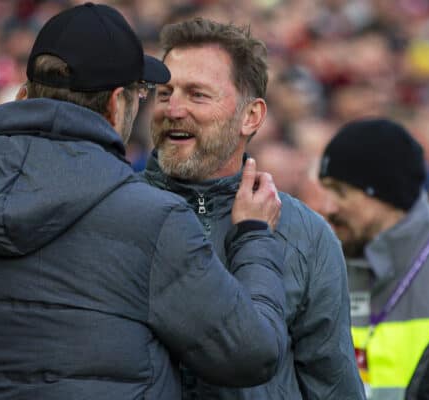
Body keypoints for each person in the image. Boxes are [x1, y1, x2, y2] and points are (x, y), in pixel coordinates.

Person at [0, 4, 288, 399]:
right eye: (140, 95)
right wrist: (253, 235)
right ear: (117, 105)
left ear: (23, 95)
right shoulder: (154, 222)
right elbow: (251, 354)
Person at [143, 18, 365, 399]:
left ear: (252, 116)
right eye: (164, 93)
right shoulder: (116, 213)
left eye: (197, 94)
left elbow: (330, 379)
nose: (173, 109)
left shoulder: (305, 233)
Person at [319, 118, 429, 400]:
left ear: (384, 193)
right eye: (326, 190)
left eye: (340, 191)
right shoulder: (327, 262)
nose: (327, 207)